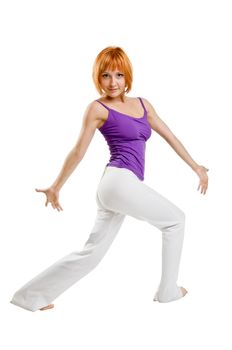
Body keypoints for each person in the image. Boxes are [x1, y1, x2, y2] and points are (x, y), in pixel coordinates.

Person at [10, 46, 209, 312]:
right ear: (97, 78)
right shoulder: (97, 108)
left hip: (119, 187)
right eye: (105, 75)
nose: (113, 82)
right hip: (118, 181)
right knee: (176, 220)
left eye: (118, 75)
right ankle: (168, 291)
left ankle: (28, 297)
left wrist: (196, 167)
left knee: (92, 254)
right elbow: (78, 151)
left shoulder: (142, 104)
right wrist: (56, 186)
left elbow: (170, 136)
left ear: (127, 77)